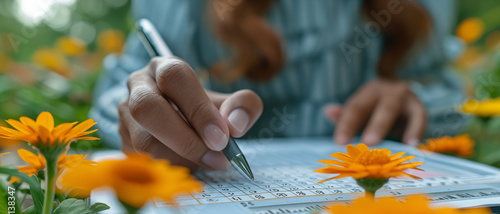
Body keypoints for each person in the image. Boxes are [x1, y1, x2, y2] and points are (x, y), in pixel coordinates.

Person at [92, 0, 466, 172]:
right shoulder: (184, 6)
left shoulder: (421, 6)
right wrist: (145, 108)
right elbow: (120, 91)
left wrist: (413, 98)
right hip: (221, 188)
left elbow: (448, 89)